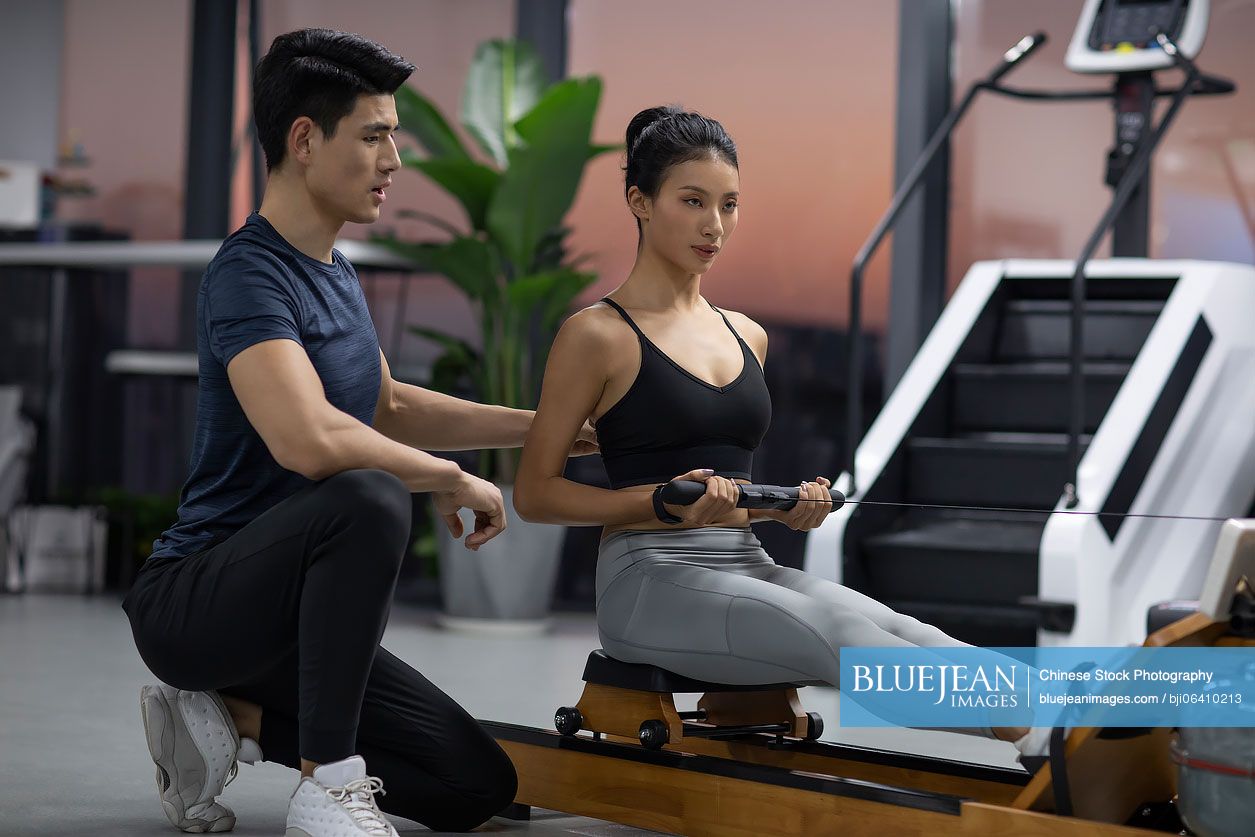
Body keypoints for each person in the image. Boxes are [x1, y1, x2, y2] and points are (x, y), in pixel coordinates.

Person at [122, 29, 595, 837]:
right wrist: (450, 476)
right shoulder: (248, 273)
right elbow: (306, 440)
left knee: (472, 784)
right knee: (370, 496)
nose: (394, 161)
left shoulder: (334, 273)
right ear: (304, 140)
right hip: (201, 601)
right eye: (374, 135)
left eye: (394, 137)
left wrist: (550, 427)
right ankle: (326, 787)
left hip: (294, 619)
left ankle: (233, 716)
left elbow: (389, 408)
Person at [513, 105, 1033, 747]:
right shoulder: (597, 333)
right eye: (693, 201)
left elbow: (730, 492)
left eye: (729, 205)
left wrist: (785, 509)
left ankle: (1097, 716)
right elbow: (535, 493)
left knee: (907, 631)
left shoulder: (746, 334)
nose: (715, 225)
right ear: (640, 201)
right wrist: (659, 504)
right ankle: (1051, 744)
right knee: (847, 639)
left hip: (746, 562)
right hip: (649, 580)